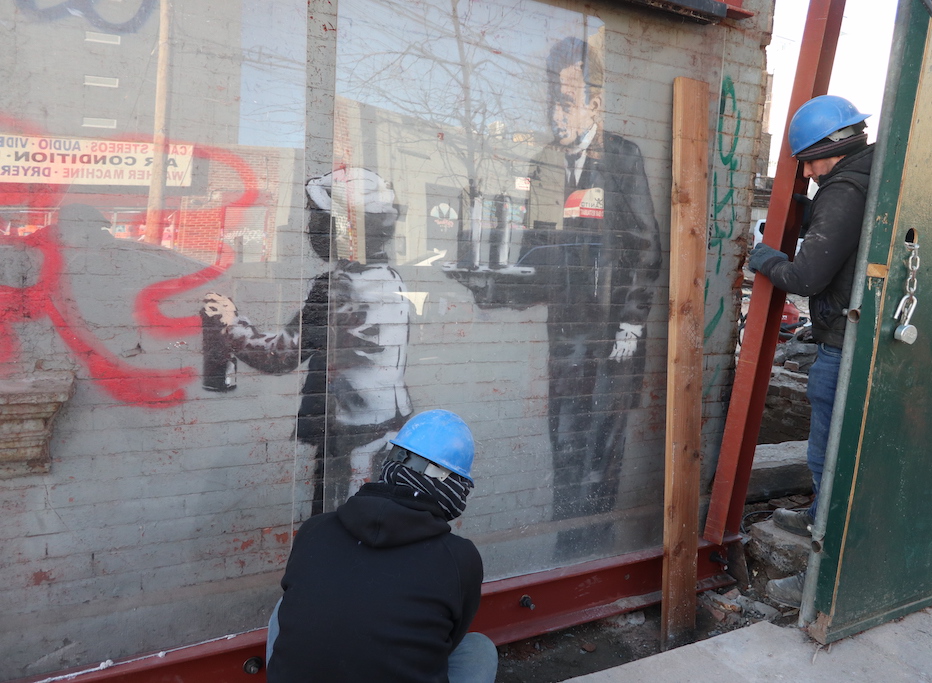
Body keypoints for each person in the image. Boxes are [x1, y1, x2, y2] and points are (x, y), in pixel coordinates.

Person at [447, 36, 662, 558]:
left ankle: (596, 550)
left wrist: (631, 327)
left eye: (566, 101)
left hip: (616, 340)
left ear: (595, 103)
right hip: (566, 339)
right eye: (552, 100)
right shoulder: (543, 163)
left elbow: (647, 250)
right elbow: (536, 263)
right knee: (565, 447)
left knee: (602, 452)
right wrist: (491, 287)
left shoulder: (622, 157)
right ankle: (569, 552)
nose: (555, 113)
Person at [203, 167, 412, 514]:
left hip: (355, 443)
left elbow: (279, 356)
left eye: (318, 220)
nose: (311, 229)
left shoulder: (337, 288)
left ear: (343, 229)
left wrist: (230, 324)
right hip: (394, 430)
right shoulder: (390, 278)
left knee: (340, 534)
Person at [747, 95, 874, 608]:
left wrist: (764, 257)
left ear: (824, 150)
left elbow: (806, 276)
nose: (808, 172)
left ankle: (823, 579)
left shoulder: (843, 190)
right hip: (853, 337)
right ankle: (820, 515)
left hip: (842, 343)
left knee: (830, 456)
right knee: (835, 453)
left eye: (807, 163)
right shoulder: (873, 174)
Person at [265, 409, 498, 683]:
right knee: (479, 649)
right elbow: (450, 640)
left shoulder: (315, 529)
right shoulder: (459, 558)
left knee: (284, 606)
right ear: (454, 487)